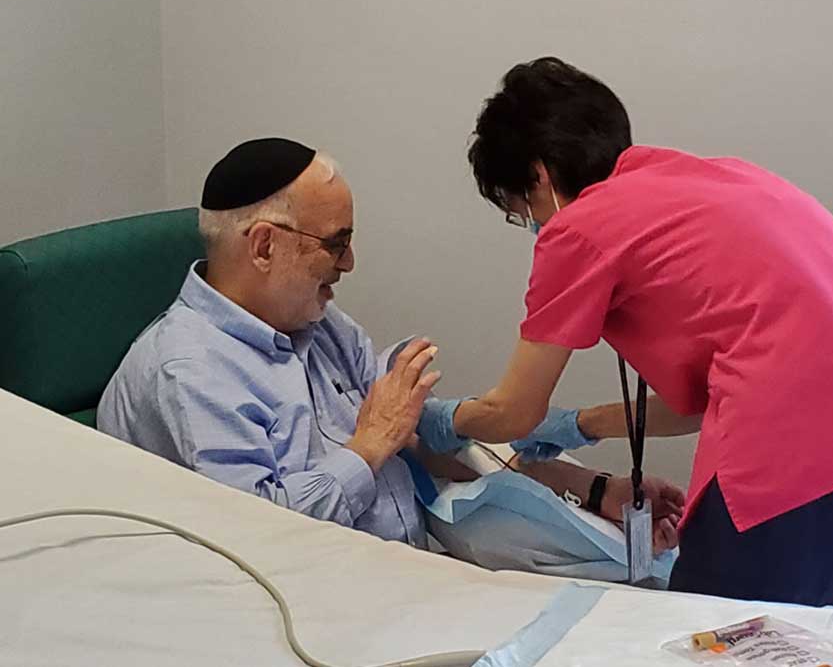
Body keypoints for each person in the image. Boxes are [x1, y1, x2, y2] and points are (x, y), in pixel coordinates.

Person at [414, 57, 833, 612]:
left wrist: (443, 419)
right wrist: (581, 426)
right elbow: (727, 389)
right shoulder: (718, 181)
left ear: (540, 175)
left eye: (517, 210)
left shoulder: (579, 227)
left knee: (709, 643)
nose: (530, 225)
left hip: (794, 471)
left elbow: (514, 412)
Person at [97, 137, 683, 565]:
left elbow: (416, 432)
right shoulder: (190, 371)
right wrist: (368, 447)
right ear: (263, 245)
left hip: (408, 567)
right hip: (306, 602)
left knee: (643, 590)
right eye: (336, 244)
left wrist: (593, 487)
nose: (348, 264)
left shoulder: (314, 324)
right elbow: (254, 537)